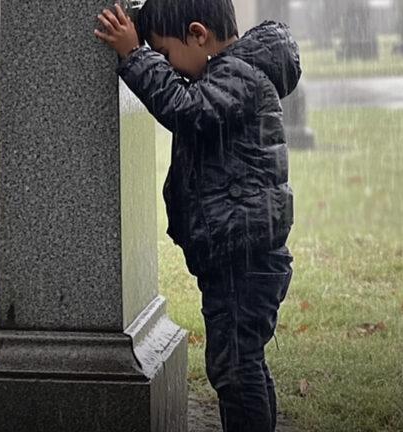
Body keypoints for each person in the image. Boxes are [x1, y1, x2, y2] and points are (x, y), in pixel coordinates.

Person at [95, 1, 298, 431]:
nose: (170, 67)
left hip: (245, 261)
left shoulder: (236, 75)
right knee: (241, 366)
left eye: (166, 54)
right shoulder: (230, 73)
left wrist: (135, 55)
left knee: (235, 371)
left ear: (198, 34)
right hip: (238, 257)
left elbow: (186, 110)